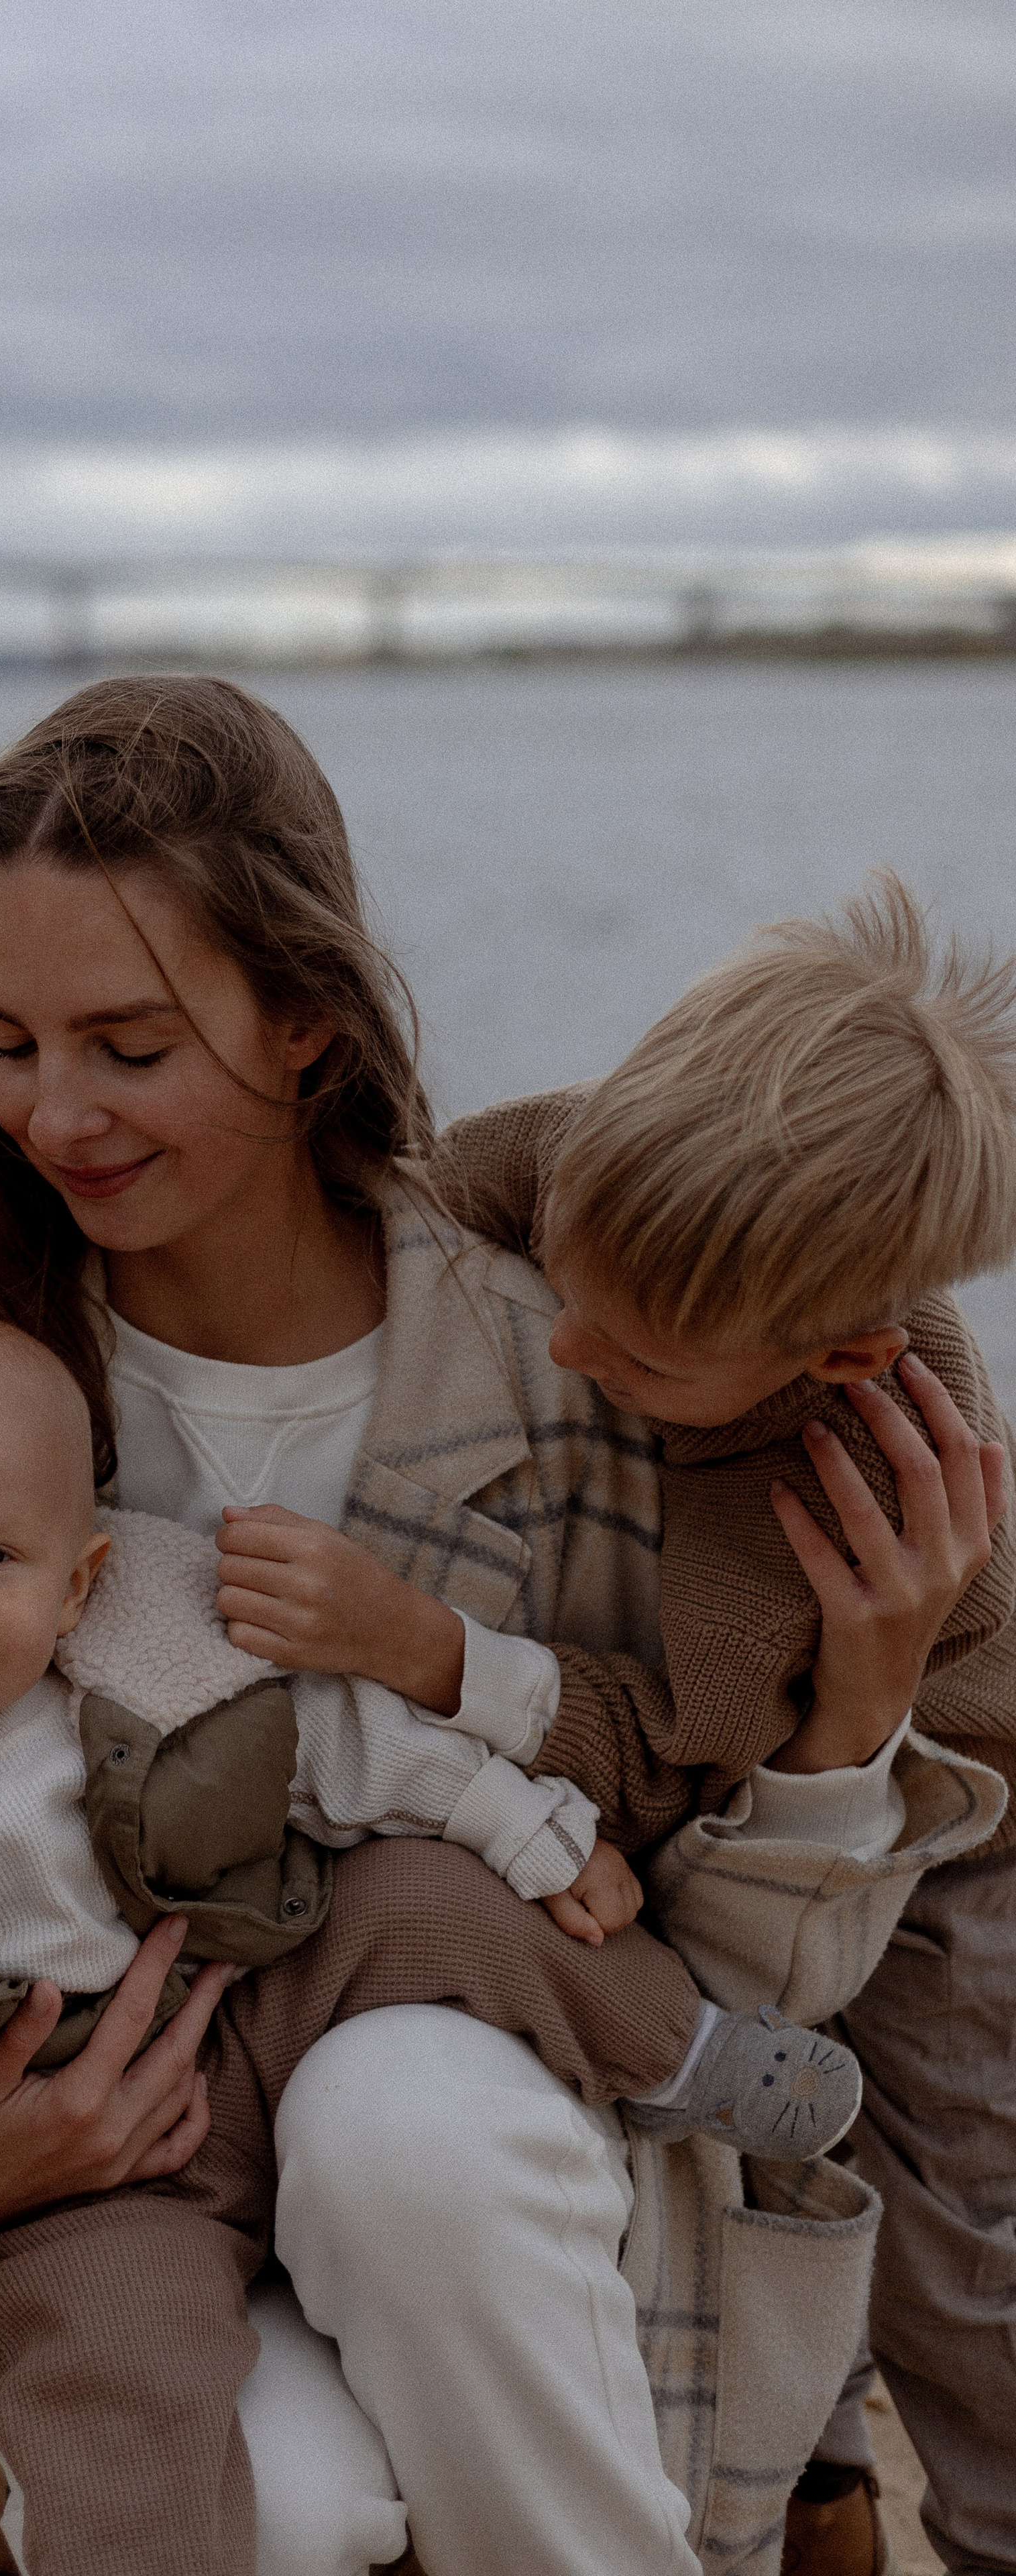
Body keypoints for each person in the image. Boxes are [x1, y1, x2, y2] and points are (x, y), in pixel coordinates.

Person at [0, 678, 1003, 2576]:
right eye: (5, 1042)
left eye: (130, 1045)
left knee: (399, 2111)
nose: (55, 1113)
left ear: (306, 1019)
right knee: (273, 2512)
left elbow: (752, 1995)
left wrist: (854, 1717)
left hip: (524, 2218)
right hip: (90, 2220)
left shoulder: (589, 1369)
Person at [0, 1308, 863, 2576]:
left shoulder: (131, 1666)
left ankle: (679, 2053)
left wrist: (520, 1824)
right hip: (76, 2192)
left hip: (252, 2001)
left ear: (77, 1584)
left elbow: (332, 1744)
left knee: (424, 1893)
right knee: (116, 2406)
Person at [433, 875, 1016, 2576]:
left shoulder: (824, 1483)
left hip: (958, 1818)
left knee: (956, 2232)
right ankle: (817, 2488)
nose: (566, 1341)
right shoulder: (586, 1165)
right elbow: (401, 1199)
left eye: (636, 1358)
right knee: (756, 2128)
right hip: (776, 1786)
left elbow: (679, 1750)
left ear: (830, 1359)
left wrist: (432, 1663)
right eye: (565, 1278)